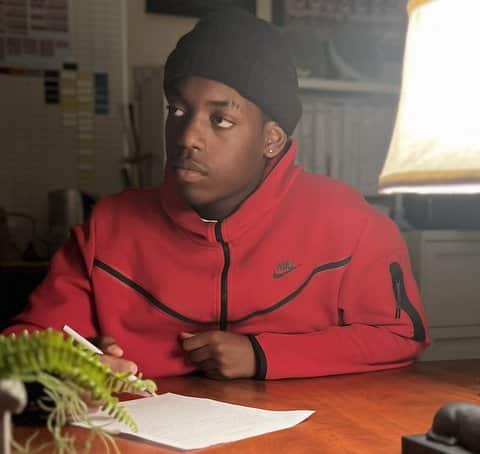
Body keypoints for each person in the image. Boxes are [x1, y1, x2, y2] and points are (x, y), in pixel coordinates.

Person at [3, 8, 429, 380]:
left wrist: (263, 354)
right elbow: (19, 350)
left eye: (221, 119)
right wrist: (69, 368)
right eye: (178, 110)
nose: (187, 137)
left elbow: (401, 334)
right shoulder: (107, 229)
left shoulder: (350, 223)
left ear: (272, 139)